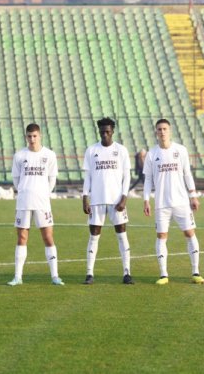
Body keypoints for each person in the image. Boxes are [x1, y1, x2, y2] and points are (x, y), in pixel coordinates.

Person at [143, 119, 204, 285]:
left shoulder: (180, 150)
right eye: (159, 129)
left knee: (190, 233)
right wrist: (146, 199)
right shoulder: (152, 154)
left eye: (165, 129)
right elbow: (148, 179)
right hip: (161, 203)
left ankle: (196, 272)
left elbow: (187, 174)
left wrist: (193, 195)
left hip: (181, 202)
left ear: (170, 131)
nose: (162, 132)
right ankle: (163, 274)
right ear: (156, 132)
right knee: (162, 236)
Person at [7, 123, 63, 286]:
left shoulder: (49, 155)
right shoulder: (19, 155)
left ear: (40, 136)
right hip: (24, 202)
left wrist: (44, 193)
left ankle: (55, 276)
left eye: (35, 136)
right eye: (29, 136)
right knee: (22, 237)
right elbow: (16, 179)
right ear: (26, 137)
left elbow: (52, 178)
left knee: (48, 237)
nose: (32, 139)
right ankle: (18, 276)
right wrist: (24, 190)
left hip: (42, 203)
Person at [81, 117, 133, 285]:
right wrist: (85, 197)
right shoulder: (91, 151)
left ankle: (127, 273)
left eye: (107, 131)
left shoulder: (121, 151)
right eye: (102, 131)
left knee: (122, 235)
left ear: (113, 131)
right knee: (94, 236)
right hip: (96, 200)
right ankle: (89, 273)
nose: (105, 135)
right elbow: (87, 177)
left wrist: (124, 197)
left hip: (117, 200)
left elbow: (127, 176)